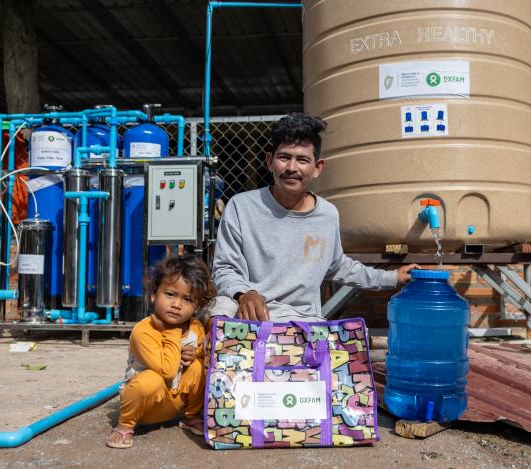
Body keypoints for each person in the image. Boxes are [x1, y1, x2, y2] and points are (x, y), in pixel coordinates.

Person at [205, 112, 418, 330]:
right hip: (250, 315)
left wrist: (391, 278)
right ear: (269, 161)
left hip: (301, 319)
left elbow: (338, 265)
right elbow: (224, 269)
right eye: (284, 157)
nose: (291, 168)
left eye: (303, 160)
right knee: (217, 309)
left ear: (318, 167)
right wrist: (245, 294)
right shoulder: (241, 206)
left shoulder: (327, 214)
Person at [106, 255, 215, 449]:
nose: (177, 304)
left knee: (200, 367)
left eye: (187, 299)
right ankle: (125, 424)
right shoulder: (144, 331)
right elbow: (167, 370)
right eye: (170, 294)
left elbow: (200, 354)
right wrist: (172, 333)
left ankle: (191, 416)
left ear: (197, 306)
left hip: (174, 404)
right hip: (144, 408)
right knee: (151, 380)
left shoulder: (196, 327)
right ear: (154, 294)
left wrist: (195, 355)